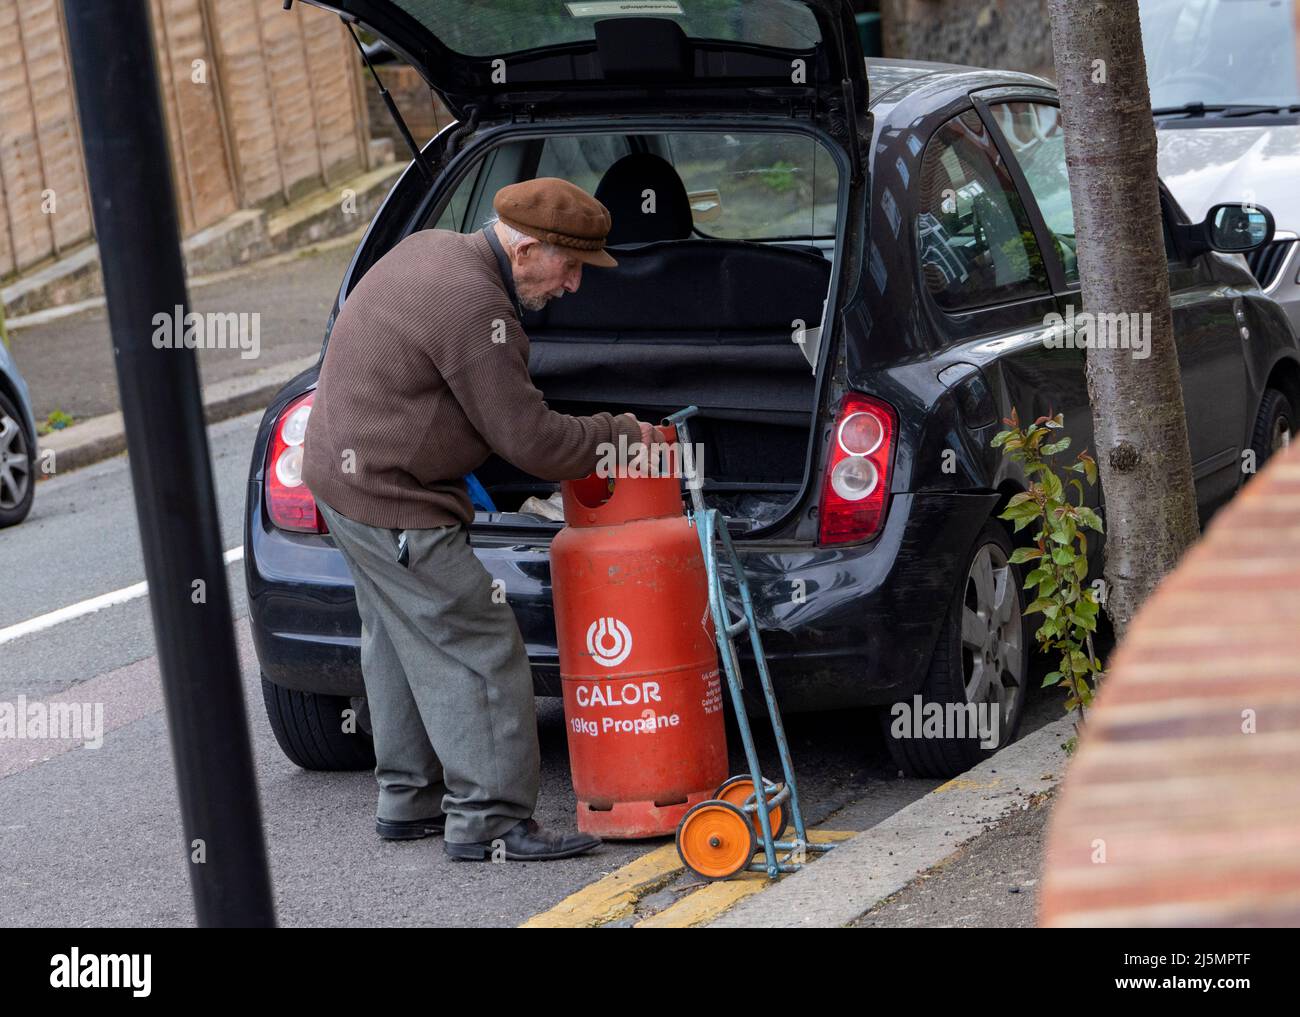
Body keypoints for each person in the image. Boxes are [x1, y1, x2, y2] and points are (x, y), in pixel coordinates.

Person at [301, 177, 658, 861]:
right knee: (480, 640)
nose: (576, 285)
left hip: (342, 480)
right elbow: (530, 441)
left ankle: (409, 799)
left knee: (399, 634)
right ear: (525, 248)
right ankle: (490, 820)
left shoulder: (437, 248)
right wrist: (620, 434)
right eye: (571, 265)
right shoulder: (472, 305)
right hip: (389, 493)